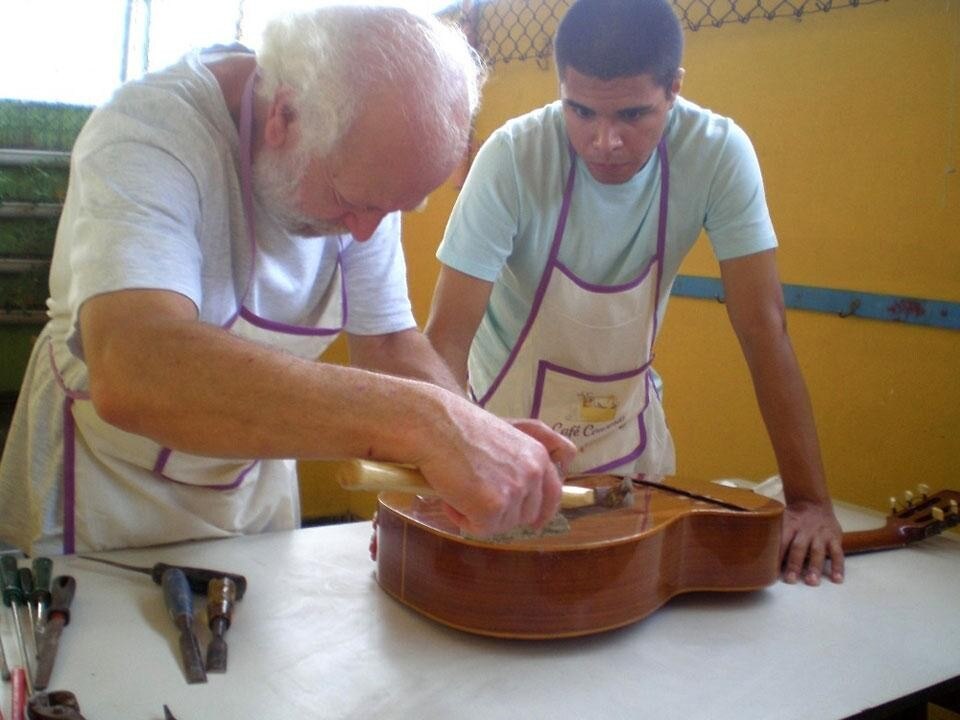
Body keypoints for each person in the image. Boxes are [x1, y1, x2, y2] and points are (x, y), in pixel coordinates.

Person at [0, 5, 576, 556]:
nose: (367, 230)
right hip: (104, 492)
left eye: (395, 208)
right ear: (283, 116)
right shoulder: (147, 133)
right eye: (354, 203)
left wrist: (474, 436)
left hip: (249, 489)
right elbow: (136, 367)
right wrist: (428, 423)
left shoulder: (364, 163)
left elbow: (390, 344)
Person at [425, 0, 844, 585]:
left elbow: (763, 324)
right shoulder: (512, 158)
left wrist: (809, 502)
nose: (605, 141)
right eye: (581, 112)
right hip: (502, 451)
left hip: (630, 446)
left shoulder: (717, 154)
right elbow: (445, 337)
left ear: (673, 88)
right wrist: (435, 484)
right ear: (560, 86)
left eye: (632, 115)